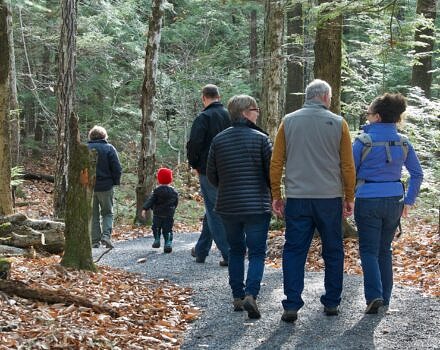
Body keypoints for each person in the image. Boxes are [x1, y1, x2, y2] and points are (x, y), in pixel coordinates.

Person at [270, 79, 356, 323]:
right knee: (333, 249)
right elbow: (347, 166)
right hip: (329, 198)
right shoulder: (339, 123)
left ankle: (292, 304)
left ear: (308, 96)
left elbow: (276, 163)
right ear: (326, 97)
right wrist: (349, 196)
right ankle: (331, 302)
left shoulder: (288, 122)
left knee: (295, 250)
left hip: (297, 198)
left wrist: (276, 194)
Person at [353, 93, 423, 314]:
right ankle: (386, 296)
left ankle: (374, 296)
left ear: (378, 117)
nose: (367, 116)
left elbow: (348, 172)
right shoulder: (403, 141)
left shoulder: (363, 141)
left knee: (368, 250)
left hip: (367, 199)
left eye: (370, 113)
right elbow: (417, 174)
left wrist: (346, 197)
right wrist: (409, 200)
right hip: (395, 199)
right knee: (385, 249)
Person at [206, 94, 272, 319]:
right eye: (255, 109)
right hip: (256, 205)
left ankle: (237, 296)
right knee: (256, 253)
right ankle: (251, 294)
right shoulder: (261, 139)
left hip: (228, 205)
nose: (258, 113)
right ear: (245, 113)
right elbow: (270, 174)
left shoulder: (218, 140)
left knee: (235, 250)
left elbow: (212, 176)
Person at [186, 84, 230, 266]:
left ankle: (229, 253)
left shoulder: (203, 117)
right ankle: (201, 250)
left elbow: (194, 144)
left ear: (204, 98)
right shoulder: (230, 115)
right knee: (212, 209)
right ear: (219, 97)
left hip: (208, 171)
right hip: (229, 170)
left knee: (214, 211)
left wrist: (195, 164)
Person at [87, 125, 122, 249]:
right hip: (106, 186)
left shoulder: (86, 148)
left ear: (91, 136)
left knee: (93, 214)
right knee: (107, 213)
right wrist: (116, 181)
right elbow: (117, 168)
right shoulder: (109, 148)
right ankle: (106, 236)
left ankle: (94, 241)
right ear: (104, 136)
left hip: (89, 187)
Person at [141, 167, 179, 253]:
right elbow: (175, 203)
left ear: (159, 179)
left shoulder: (156, 191)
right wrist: (172, 209)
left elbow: (151, 200)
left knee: (156, 227)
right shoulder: (174, 192)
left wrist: (144, 209)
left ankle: (157, 240)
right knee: (168, 230)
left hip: (157, 214)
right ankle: (168, 243)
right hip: (169, 215)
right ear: (170, 179)